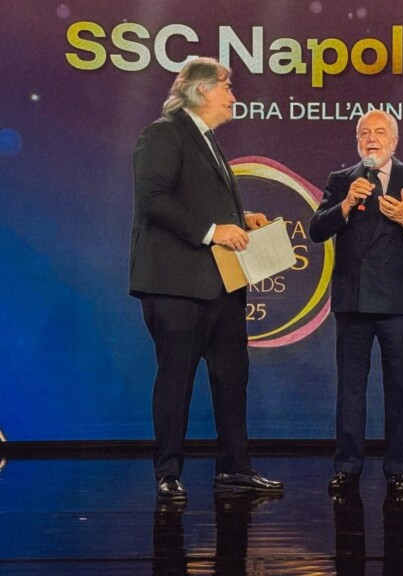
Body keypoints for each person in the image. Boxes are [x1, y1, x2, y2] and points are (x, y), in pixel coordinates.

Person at [130, 57, 283, 501]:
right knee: (176, 380)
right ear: (200, 91)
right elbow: (154, 199)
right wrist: (214, 230)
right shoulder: (163, 134)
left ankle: (234, 468)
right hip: (176, 287)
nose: (233, 96)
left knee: (233, 378)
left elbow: (197, 198)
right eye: (226, 87)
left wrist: (240, 218)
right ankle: (168, 472)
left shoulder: (207, 140)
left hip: (221, 287)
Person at [309, 109, 403, 496]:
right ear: (357, 141)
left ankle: (398, 468)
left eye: (380, 132)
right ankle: (347, 467)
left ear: (394, 141)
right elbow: (317, 229)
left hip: (399, 304)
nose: (372, 138)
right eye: (364, 133)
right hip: (353, 302)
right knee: (350, 390)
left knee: (399, 389)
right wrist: (345, 205)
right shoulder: (341, 181)